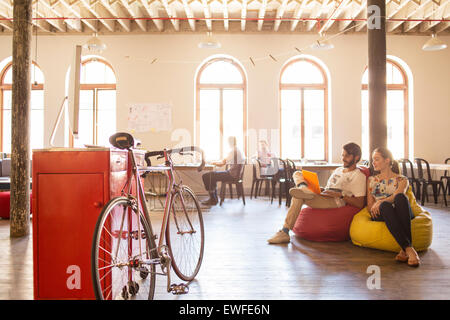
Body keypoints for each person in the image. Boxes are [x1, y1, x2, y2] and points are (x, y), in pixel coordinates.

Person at [267, 142, 367, 244]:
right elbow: (331, 187)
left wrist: (340, 195)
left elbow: (359, 203)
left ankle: (284, 231)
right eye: (342, 155)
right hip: (324, 194)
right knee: (297, 173)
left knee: (298, 196)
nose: (343, 158)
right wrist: (321, 189)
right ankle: (303, 187)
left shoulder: (358, 176)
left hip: (335, 200)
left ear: (356, 157)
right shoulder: (339, 170)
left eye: (347, 156)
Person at [367, 147, 420, 267]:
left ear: (387, 160)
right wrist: (377, 206)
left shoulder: (402, 179)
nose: (373, 163)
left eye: (376, 159)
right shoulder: (371, 180)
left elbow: (397, 195)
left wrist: (380, 201)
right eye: (372, 160)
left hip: (402, 211)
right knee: (385, 205)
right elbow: (370, 205)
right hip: (381, 212)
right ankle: (409, 249)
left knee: (400, 198)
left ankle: (405, 250)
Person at [201, 136, 245, 206]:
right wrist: (214, 162)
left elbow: (221, 163)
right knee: (211, 176)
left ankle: (213, 199)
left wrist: (211, 162)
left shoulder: (233, 151)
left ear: (230, 142)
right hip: (234, 174)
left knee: (206, 176)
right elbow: (224, 161)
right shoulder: (238, 149)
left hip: (231, 175)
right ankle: (214, 199)